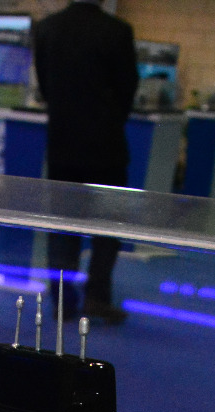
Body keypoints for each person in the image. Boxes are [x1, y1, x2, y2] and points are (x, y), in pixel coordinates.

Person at [32, 0, 139, 324]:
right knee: (107, 228)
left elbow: (45, 85)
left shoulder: (47, 28)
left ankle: (62, 302)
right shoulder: (117, 31)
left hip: (62, 145)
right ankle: (96, 297)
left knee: (62, 228)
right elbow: (127, 87)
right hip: (105, 148)